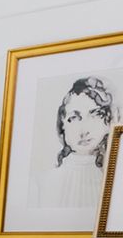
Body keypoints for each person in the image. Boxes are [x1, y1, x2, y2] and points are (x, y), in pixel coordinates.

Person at [34, 76, 116, 209]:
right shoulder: (46, 182)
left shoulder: (115, 181)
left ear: (106, 120)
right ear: (63, 126)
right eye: (74, 118)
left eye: (95, 115)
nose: (84, 130)